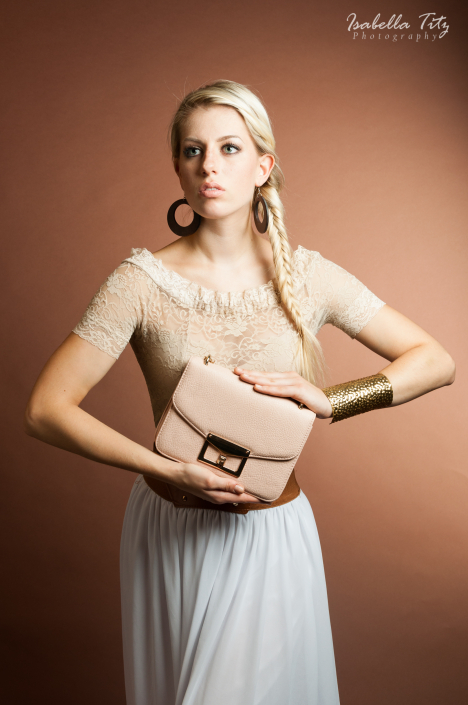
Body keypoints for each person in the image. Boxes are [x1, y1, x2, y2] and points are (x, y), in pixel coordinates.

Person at [24, 79, 455, 705]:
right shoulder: (139, 282)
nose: (209, 166)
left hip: (269, 536)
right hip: (169, 530)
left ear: (263, 166)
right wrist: (165, 468)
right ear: (177, 168)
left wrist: (334, 399)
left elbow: (436, 361)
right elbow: (45, 410)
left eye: (230, 148)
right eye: (193, 150)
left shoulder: (309, 277)